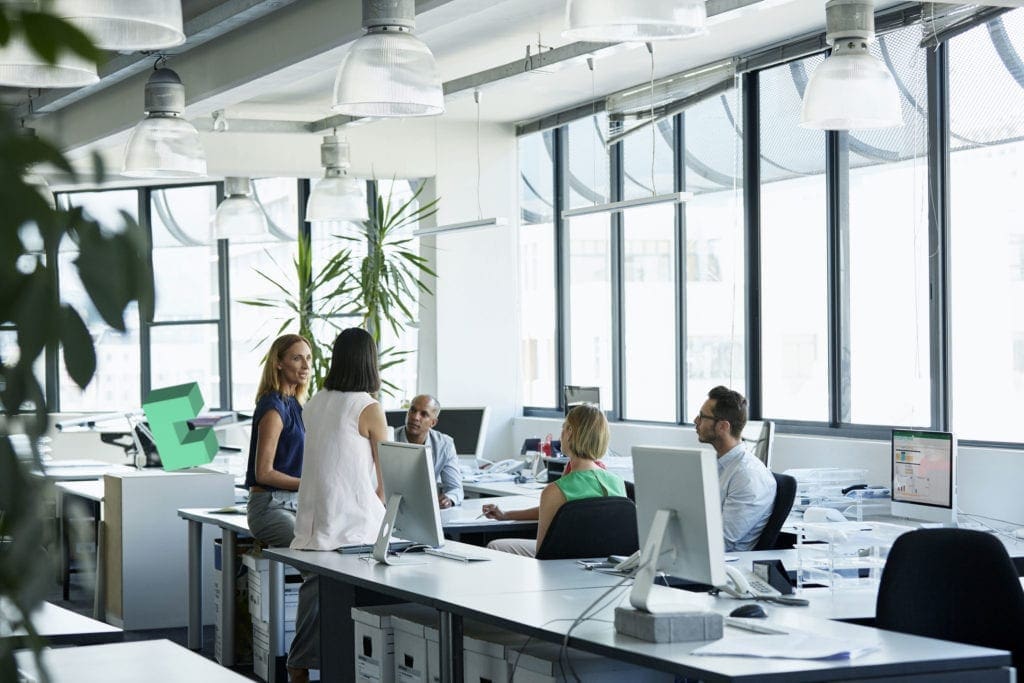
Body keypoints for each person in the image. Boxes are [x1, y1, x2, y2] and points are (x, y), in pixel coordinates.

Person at [288, 328, 389, 683]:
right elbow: (387, 475)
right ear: (369, 361)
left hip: (315, 524)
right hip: (351, 528)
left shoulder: (316, 401)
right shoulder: (367, 407)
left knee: (315, 598)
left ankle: (300, 666)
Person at [485, 404, 625, 557]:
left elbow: (543, 552)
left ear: (570, 432)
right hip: (603, 566)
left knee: (495, 546)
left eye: (563, 427)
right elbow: (555, 511)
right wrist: (506, 515)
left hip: (563, 566)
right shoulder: (617, 482)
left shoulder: (556, 490)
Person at [244, 333, 311, 551]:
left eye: (308, 358)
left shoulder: (295, 405)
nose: (305, 365)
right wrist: (310, 484)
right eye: (297, 358)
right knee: (311, 552)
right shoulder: (274, 407)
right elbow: (264, 473)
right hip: (270, 507)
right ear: (279, 363)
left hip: (295, 504)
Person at [695, 385, 776, 552]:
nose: (696, 421)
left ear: (723, 426)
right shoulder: (717, 465)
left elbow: (722, 541)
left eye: (702, 417)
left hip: (725, 567)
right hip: (694, 555)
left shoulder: (748, 476)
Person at [394, 394, 463, 509]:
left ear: (433, 423)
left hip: (425, 509)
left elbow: (455, 488)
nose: (415, 417)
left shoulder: (445, 445)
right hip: (391, 506)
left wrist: (449, 499)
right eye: (413, 410)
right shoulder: (388, 438)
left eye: (424, 414)